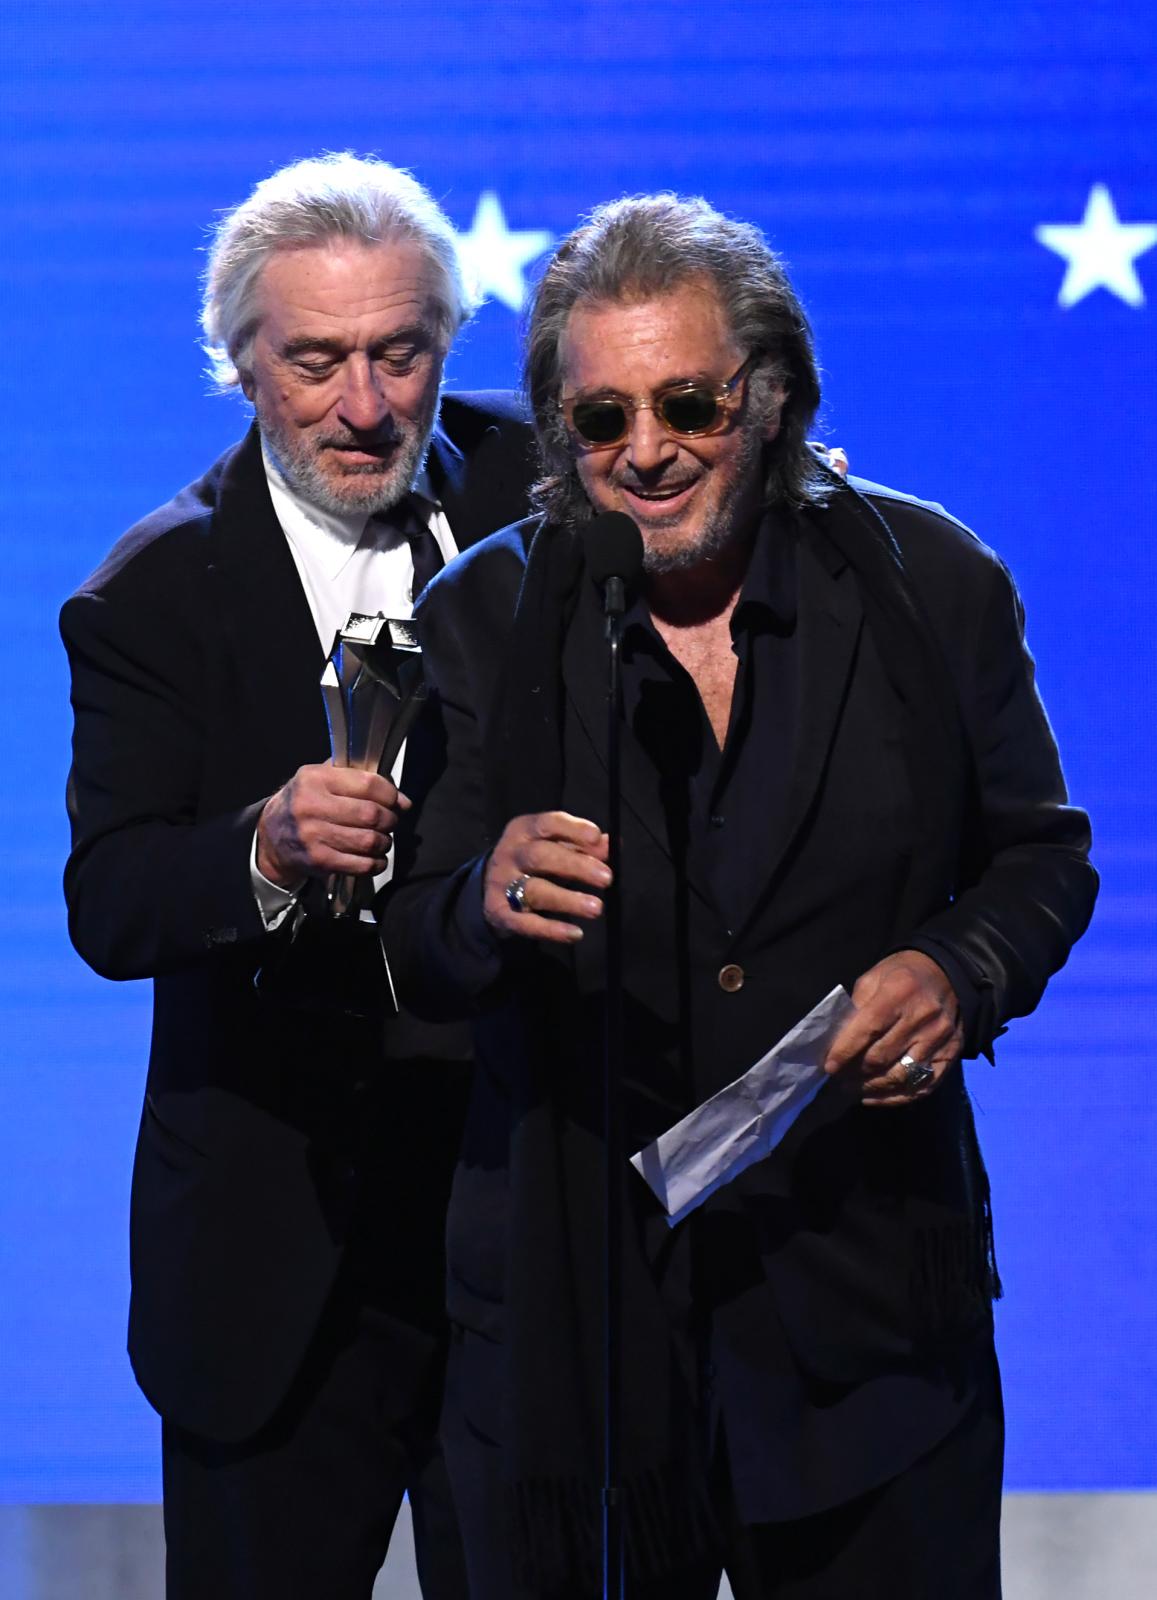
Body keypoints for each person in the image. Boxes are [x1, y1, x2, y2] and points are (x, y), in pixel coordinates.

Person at [380, 194, 1098, 1599]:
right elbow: (413, 947)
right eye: (600, 420)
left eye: (687, 405)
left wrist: (957, 971)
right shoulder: (480, 618)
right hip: (578, 1338)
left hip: (865, 1320)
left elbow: (1041, 859)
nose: (645, 451)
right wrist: (482, 896)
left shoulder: (930, 581)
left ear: (767, 397)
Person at [60, 153, 536, 1599]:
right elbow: (113, 900)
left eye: (402, 353)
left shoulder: (544, 491)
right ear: (241, 362)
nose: (367, 405)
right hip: (278, 1255)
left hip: (520, 1219)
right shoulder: (154, 591)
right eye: (316, 361)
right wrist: (261, 849)